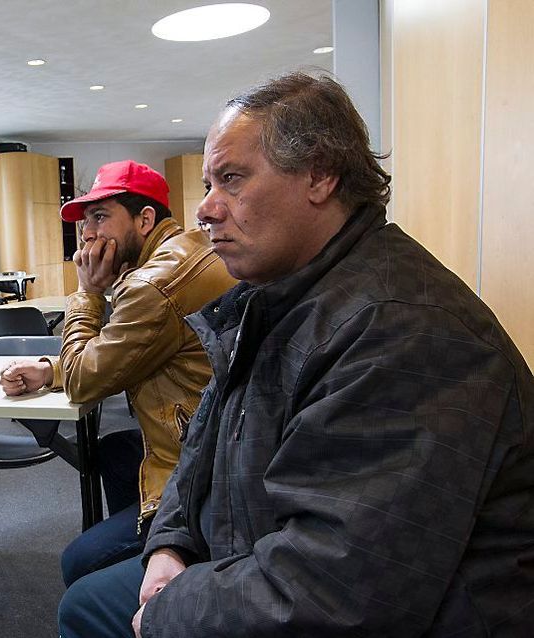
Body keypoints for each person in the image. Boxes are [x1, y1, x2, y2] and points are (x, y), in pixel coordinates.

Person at [58, 72, 534, 638]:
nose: (206, 209)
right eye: (210, 183)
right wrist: (172, 540)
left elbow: (334, 592)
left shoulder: (405, 332)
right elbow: (204, 441)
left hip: (374, 603)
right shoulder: (280, 292)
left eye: (231, 180)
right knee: (87, 596)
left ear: (320, 175)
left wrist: (170, 610)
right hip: (256, 549)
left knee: (88, 607)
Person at [0, 160, 234, 587]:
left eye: (101, 217)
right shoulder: (179, 255)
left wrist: (87, 293)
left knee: (78, 562)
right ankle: (146, 552)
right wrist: (51, 369)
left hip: (201, 471)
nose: (87, 233)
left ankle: (157, 550)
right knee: (116, 452)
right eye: (85, 221)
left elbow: (87, 379)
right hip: (215, 440)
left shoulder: (152, 284)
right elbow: (130, 353)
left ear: (145, 220)